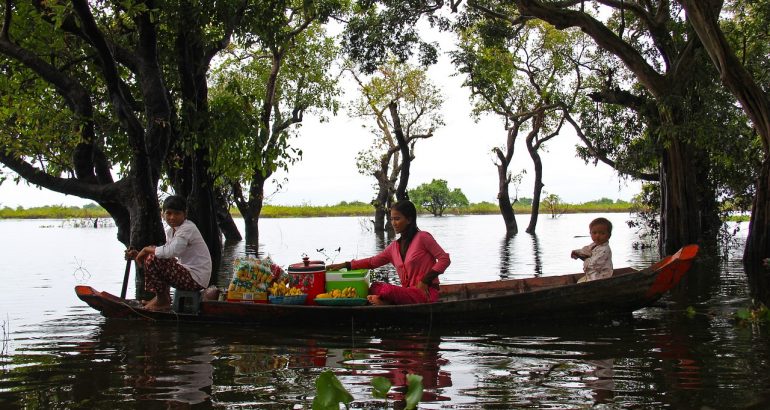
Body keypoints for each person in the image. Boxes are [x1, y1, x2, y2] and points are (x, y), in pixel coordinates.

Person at [326, 199, 450, 305]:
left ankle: (386, 302)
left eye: (397, 219)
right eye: (391, 219)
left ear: (409, 219)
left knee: (387, 290)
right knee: (374, 286)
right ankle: (387, 301)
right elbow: (372, 262)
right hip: (407, 293)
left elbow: (444, 259)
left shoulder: (423, 237)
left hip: (426, 293)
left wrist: (424, 281)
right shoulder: (394, 247)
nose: (393, 223)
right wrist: (347, 265)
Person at [125, 195, 212, 311]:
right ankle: (161, 298)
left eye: (177, 213)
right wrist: (139, 254)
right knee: (153, 255)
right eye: (169, 213)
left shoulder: (188, 228)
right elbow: (166, 252)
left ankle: (162, 301)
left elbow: (171, 252)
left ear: (184, 214)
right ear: (163, 214)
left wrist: (145, 250)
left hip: (196, 279)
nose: (172, 217)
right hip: (188, 273)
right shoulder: (172, 231)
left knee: (153, 256)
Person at [571, 217, 613, 283]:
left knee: (580, 284)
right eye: (594, 233)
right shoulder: (594, 244)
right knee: (578, 282)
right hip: (592, 275)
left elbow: (594, 264)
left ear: (609, 235)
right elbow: (586, 250)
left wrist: (584, 259)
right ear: (590, 233)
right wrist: (577, 252)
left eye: (602, 233)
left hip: (602, 277)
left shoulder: (604, 250)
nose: (597, 236)